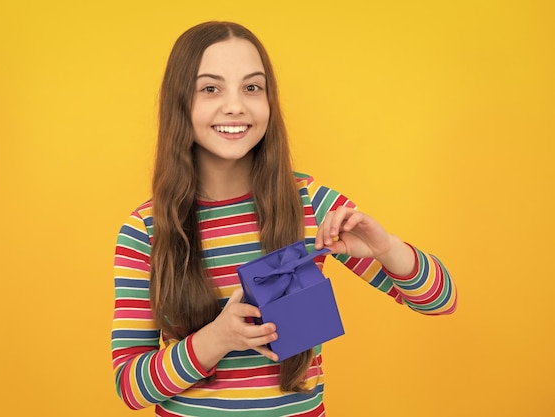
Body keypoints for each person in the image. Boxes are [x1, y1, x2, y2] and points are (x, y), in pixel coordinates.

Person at [111, 21, 457, 416]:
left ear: (269, 102)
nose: (235, 106)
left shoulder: (313, 207)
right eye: (210, 88)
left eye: (252, 87)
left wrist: (387, 248)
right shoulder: (146, 229)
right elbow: (130, 388)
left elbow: (440, 302)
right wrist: (217, 338)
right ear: (179, 103)